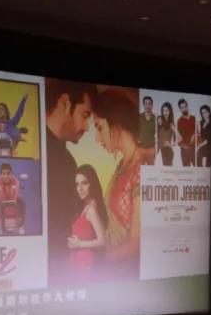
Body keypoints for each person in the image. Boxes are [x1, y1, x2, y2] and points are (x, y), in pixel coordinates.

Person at [45, 78, 96, 281]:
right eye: (84, 116)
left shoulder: (65, 157)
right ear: (65, 103)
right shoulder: (51, 154)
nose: (86, 127)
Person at [93, 89, 143, 274]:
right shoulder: (123, 165)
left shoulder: (142, 168)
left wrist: (96, 261)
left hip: (129, 272)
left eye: (99, 128)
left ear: (116, 123)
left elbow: (136, 244)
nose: (97, 139)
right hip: (114, 268)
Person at [66, 164, 108, 279]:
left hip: (86, 264)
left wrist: (79, 244)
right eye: (77, 184)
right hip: (80, 262)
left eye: (84, 183)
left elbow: (103, 241)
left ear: (92, 184)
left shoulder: (91, 209)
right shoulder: (86, 207)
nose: (80, 188)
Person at [0, 162, 25, 235]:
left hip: (12, 199)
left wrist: (13, 191)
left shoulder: (16, 182)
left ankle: (21, 226)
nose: (6, 176)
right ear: (1, 175)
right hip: (1, 200)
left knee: (21, 201)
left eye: (8, 173)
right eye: (3, 174)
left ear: (11, 174)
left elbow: (14, 199)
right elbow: (2, 200)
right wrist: (2, 217)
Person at [176, 99, 196, 167]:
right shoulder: (179, 121)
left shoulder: (193, 118)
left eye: (185, 106)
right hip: (184, 150)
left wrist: (193, 138)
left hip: (194, 148)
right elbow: (178, 139)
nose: (184, 109)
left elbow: (196, 132)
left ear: (187, 106)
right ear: (180, 109)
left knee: (197, 169)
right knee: (186, 170)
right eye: (182, 108)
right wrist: (185, 147)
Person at [156, 101, 176, 166]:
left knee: (166, 169)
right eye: (163, 110)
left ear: (170, 112)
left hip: (167, 151)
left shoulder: (171, 124)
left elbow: (178, 138)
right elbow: (157, 137)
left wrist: (170, 145)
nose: (165, 112)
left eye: (167, 110)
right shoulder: (159, 120)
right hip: (160, 150)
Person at [138, 95, 156, 164]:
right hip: (140, 149)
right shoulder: (139, 117)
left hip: (151, 149)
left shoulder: (156, 118)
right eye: (146, 103)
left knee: (151, 169)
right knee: (140, 169)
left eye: (149, 103)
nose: (147, 105)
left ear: (152, 105)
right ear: (143, 105)